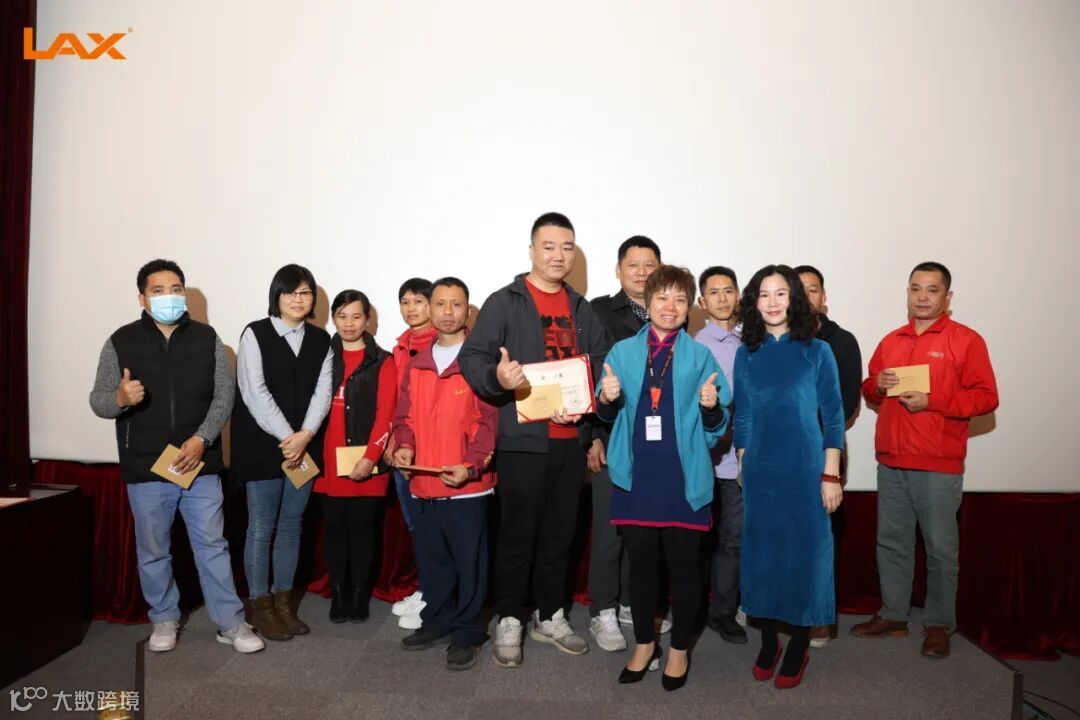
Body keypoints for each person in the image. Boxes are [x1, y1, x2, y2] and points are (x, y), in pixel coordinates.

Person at [459, 211, 611, 667]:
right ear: (531, 251)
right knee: (518, 535)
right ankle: (510, 617)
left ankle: (550, 615)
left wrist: (589, 415)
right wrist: (498, 378)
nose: (558, 255)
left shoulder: (582, 308)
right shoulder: (505, 302)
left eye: (567, 247)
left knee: (559, 536)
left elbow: (600, 366)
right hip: (523, 440)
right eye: (548, 246)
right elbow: (473, 358)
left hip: (569, 440)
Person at [89, 259, 263, 653]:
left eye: (176, 289)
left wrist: (202, 438)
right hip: (146, 467)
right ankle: (164, 618)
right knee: (153, 550)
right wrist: (119, 398)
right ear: (142, 298)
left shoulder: (206, 337)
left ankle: (231, 623)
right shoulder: (120, 341)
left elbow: (224, 396)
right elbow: (98, 400)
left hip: (199, 464)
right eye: (159, 290)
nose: (169, 296)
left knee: (213, 545)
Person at [851, 262, 998, 659]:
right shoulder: (892, 340)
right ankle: (893, 615)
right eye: (915, 288)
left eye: (932, 290)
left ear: (947, 297)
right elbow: (870, 389)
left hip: (937, 462)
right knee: (892, 543)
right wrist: (876, 385)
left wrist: (934, 401)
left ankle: (938, 624)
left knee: (940, 550)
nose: (922, 296)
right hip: (892, 459)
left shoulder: (966, 340)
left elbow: (987, 397)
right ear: (908, 293)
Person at [597, 265, 730, 691]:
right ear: (648, 302)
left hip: (684, 480)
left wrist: (711, 407)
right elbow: (604, 413)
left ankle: (679, 650)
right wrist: (607, 399)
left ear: (688, 306)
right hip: (636, 478)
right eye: (662, 297)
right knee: (640, 570)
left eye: (679, 299)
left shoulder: (700, 356)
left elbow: (718, 425)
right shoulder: (622, 352)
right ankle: (644, 644)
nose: (670, 307)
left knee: (686, 570)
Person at [735, 264, 845, 690]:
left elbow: (833, 416)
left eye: (781, 293)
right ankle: (768, 642)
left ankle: (798, 644)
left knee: (804, 558)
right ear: (754, 302)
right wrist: (743, 461)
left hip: (806, 469)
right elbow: (743, 414)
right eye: (764, 294)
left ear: (794, 299)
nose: (772, 302)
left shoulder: (818, 350)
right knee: (762, 558)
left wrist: (830, 475)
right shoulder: (747, 353)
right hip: (761, 472)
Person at [392, 277, 498, 671]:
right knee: (433, 558)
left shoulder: (479, 361)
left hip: (466, 485)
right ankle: (436, 619)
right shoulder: (416, 363)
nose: (448, 312)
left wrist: (471, 466)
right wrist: (404, 446)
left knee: (469, 562)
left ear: (468, 310)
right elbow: (403, 418)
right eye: (440, 304)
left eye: (456, 304)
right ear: (430, 309)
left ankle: (468, 632)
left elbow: (489, 422)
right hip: (423, 482)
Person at [231, 264, 333, 642]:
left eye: (305, 292)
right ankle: (261, 606)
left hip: (303, 447)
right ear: (277, 295)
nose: (297, 299)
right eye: (290, 292)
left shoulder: (321, 339)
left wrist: (305, 436)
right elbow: (253, 391)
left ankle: (283, 604)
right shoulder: (255, 333)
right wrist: (290, 437)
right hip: (262, 446)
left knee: (292, 525)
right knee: (261, 527)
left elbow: (323, 392)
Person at [587, 235, 670, 652]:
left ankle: (630, 604)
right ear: (618, 270)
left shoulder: (669, 313)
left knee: (643, 530)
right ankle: (602, 609)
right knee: (610, 530)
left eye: (649, 264)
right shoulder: (598, 311)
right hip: (610, 435)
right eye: (632, 265)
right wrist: (592, 437)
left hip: (656, 443)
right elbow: (587, 376)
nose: (641, 272)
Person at [311, 289, 396, 624]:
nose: (349, 324)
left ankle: (359, 594)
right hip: (327, 462)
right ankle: (339, 593)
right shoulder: (321, 357)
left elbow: (386, 414)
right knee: (334, 531)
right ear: (333, 319)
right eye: (342, 316)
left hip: (365, 461)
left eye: (356, 316)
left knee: (363, 532)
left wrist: (371, 457)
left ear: (368, 320)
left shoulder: (382, 361)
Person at [794, 264, 863, 649]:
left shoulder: (841, 342)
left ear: (824, 297)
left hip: (825, 452)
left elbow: (847, 403)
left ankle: (820, 618)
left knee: (821, 537)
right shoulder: (778, 340)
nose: (806, 297)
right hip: (783, 455)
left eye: (813, 289)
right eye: (798, 289)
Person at [693, 265, 746, 645]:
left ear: (738, 295)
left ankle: (723, 613)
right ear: (702, 301)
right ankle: (693, 609)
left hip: (740, 461)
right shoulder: (697, 347)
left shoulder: (752, 342)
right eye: (714, 292)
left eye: (728, 290)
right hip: (704, 460)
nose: (723, 298)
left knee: (733, 540)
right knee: (697, 541)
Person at [386, 278, 438, 630]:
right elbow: (396, 403)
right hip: (401, 449)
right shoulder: (399, 348)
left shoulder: (444, 344)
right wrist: (393, 443)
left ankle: (436, 592)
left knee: (433, 526)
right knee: (414, 525)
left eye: (418, 300)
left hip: (431, 451)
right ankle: (426, 587)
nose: (411, 308)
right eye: (405, 302)